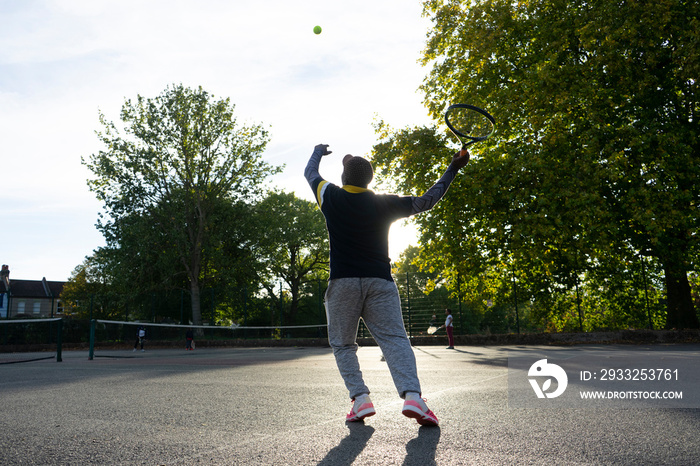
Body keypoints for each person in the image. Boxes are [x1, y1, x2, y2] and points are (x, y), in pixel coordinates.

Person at [305, 143, 470, 426]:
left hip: (342, 282)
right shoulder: (385, 201)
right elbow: (427, 200)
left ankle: (360, 400)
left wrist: (319, 151)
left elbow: (310, 172)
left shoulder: (329, 195)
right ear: (370, 180)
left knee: (343, 344)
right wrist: (453, 168)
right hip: (380, 281)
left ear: (344, 179)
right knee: (394, 339)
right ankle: (414, 397)